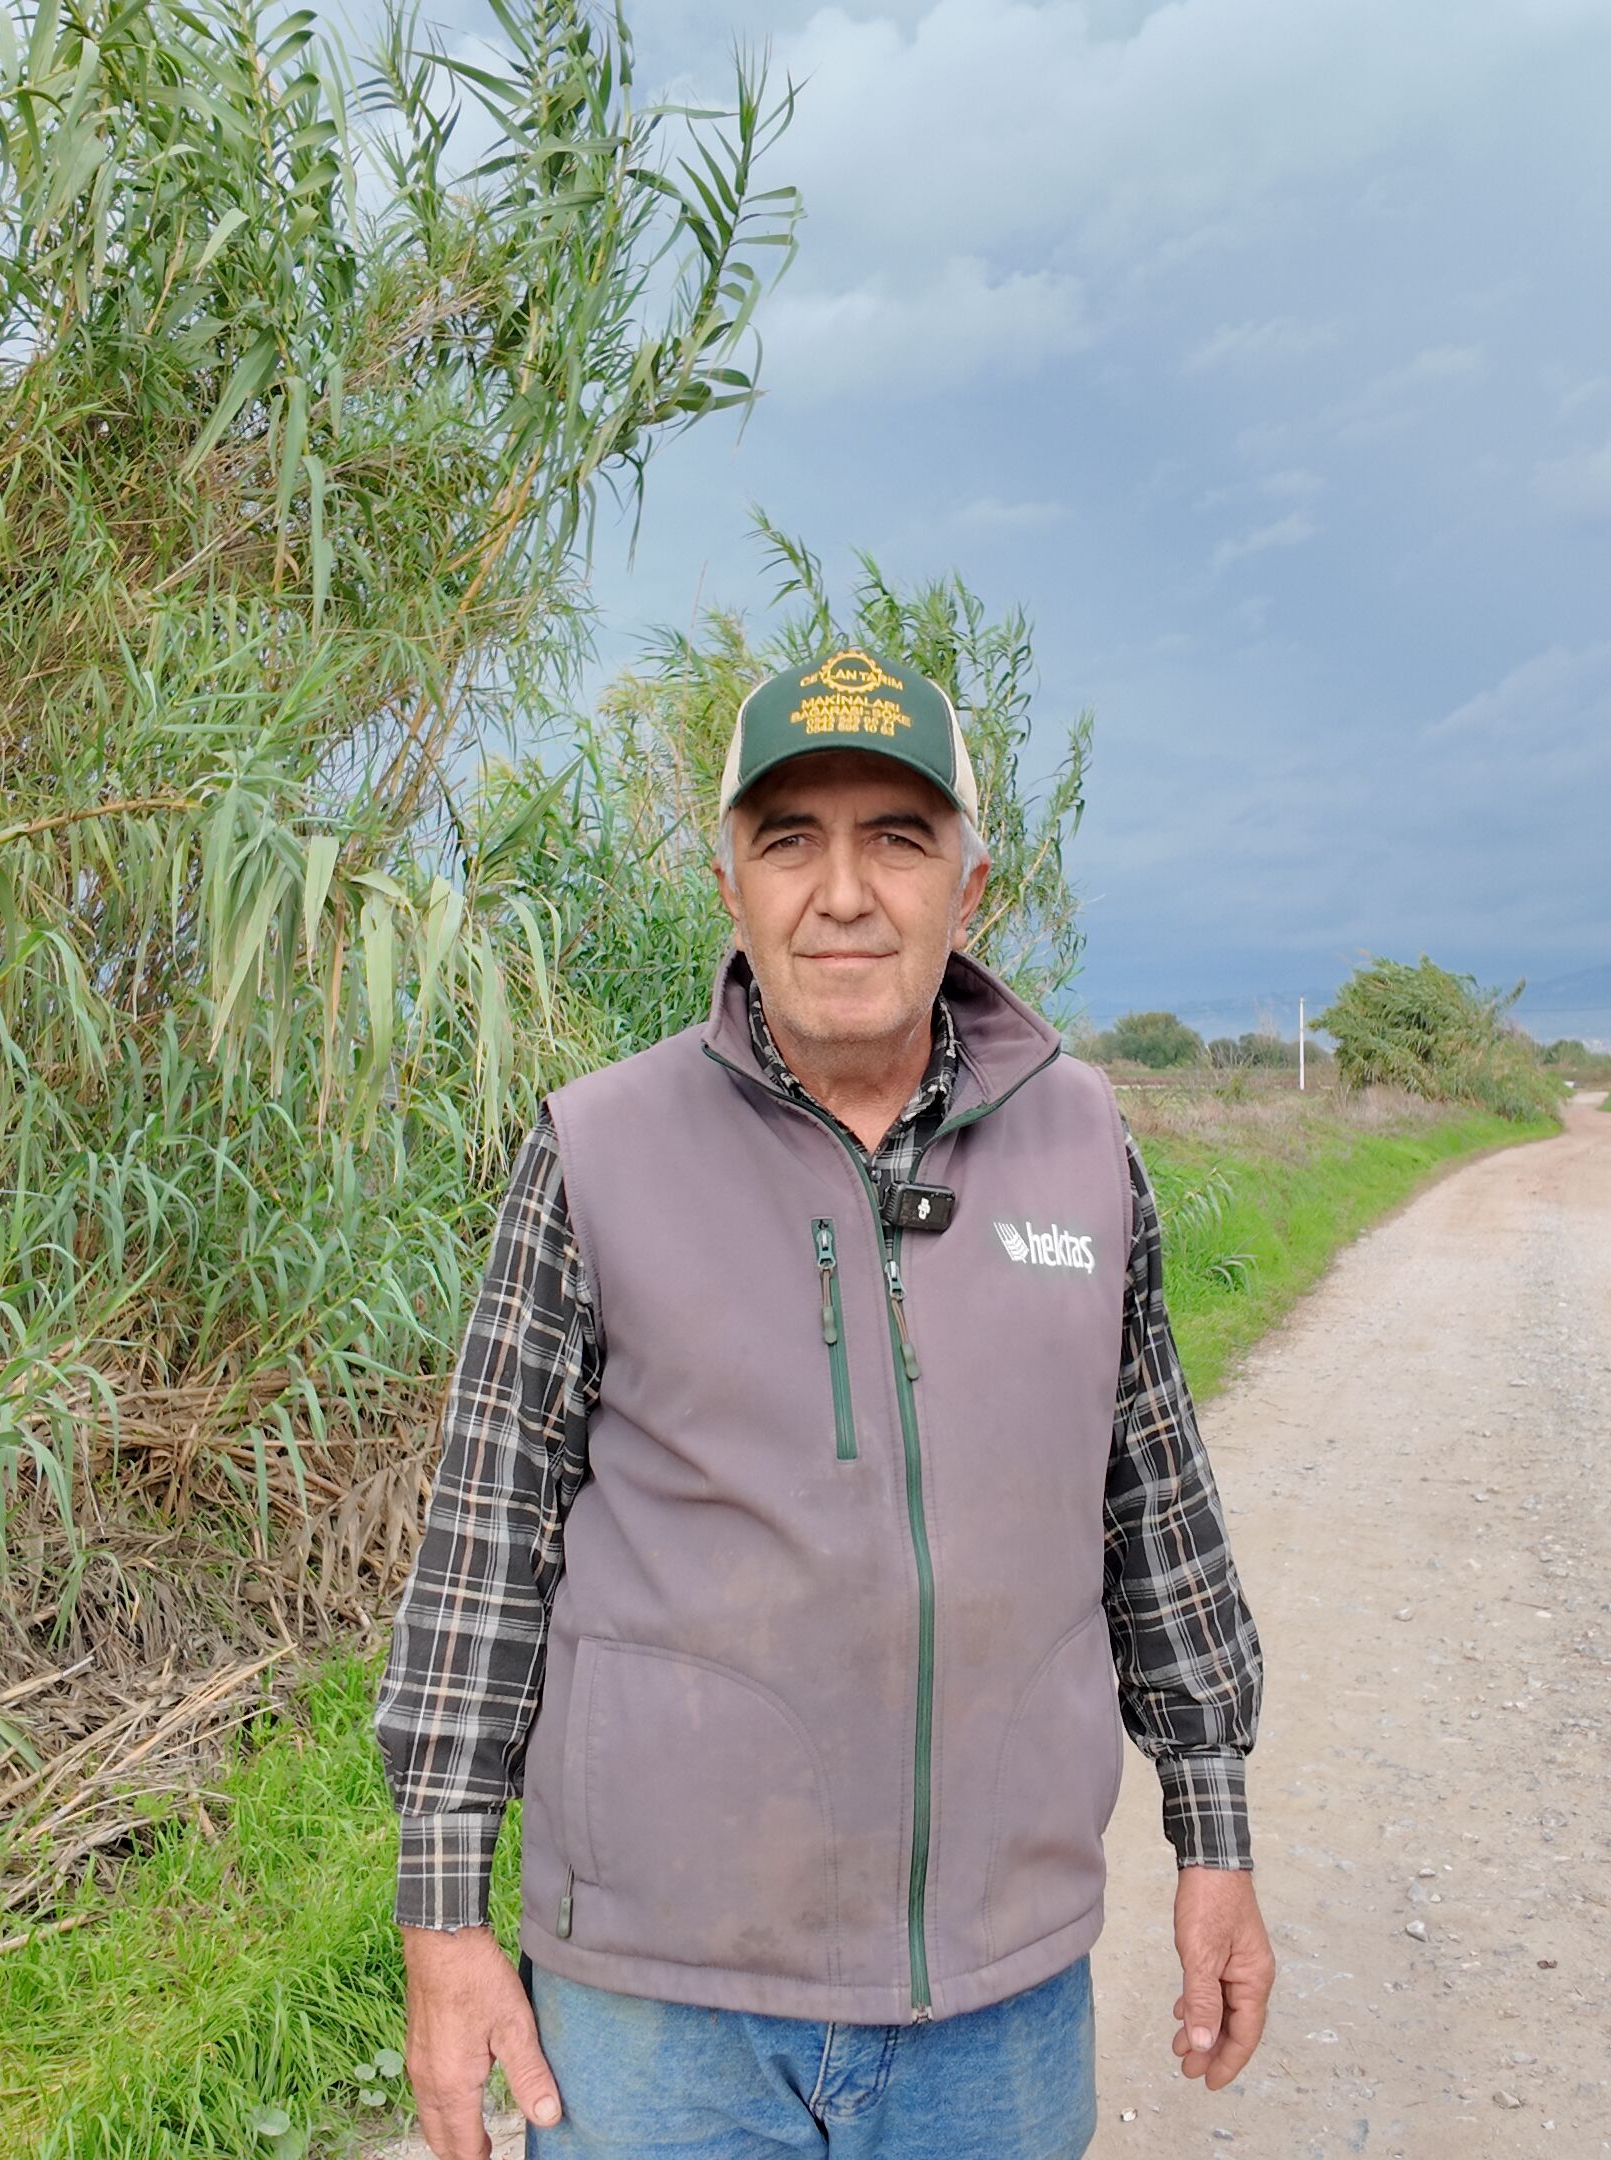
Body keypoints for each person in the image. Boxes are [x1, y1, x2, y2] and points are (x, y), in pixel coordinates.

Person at [375, 648, 1270, 2158]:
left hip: (998, 2006)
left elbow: (1157, 1514)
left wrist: (1215, 1835)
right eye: (790, 839)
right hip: (659, 2015)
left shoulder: (1084, 1147)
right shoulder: (597, 1152)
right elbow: (485, 1548)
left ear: (969, 889)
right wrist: (445, 1923)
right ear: (730, 885)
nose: (842, 893)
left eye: (895, 839)